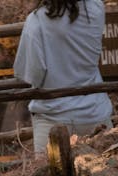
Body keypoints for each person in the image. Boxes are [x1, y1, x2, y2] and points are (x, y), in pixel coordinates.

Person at [13, 0, 112, 154]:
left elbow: (33, 75)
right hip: (96, 113)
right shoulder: (96, 8)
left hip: (52, 120)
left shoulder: (37, 21)